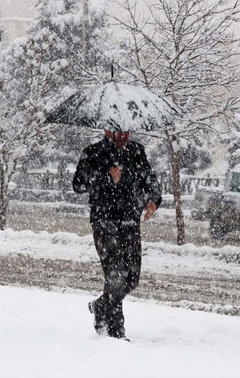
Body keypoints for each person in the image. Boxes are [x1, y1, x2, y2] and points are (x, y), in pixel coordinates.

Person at [73, 129, 162, 340]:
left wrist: (154, 200)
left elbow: (150, 181)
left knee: (131, 277)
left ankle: (100, 305)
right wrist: (104, 176)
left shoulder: (136, 151)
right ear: (107, 130)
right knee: (115, 274)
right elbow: (77, 184)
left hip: (130, 221)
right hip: (104, 221)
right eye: (118, 131)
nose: (123, 135)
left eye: (126, 131)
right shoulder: (93, 152)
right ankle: (116, 333)